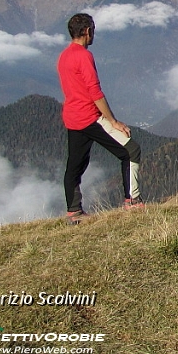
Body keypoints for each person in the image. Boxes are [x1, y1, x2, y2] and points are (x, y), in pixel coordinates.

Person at [57, 13, 143, 224]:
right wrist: (113, 121)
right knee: (130, 150)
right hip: (90, 116)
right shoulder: (84, 56)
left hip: (72, 118)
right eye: (93, 30)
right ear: (87, 31)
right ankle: (132, 201)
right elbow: (95, 92)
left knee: (74, 165)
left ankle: (74, 211)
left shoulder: (64, 56)